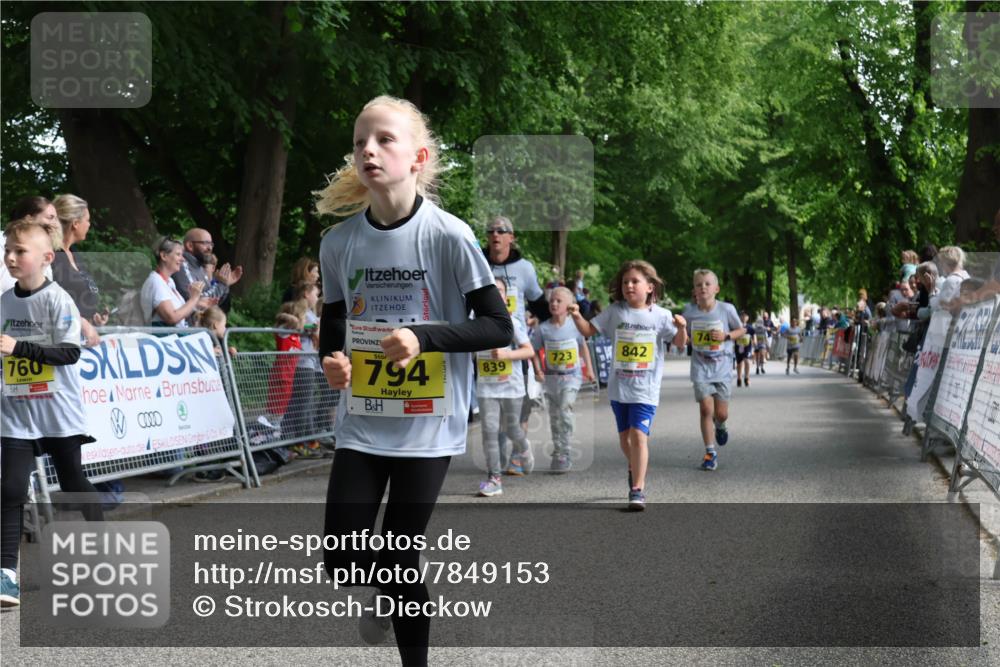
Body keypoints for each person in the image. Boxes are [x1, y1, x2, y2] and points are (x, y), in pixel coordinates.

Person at [315, 96, 511, 665]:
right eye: (359, 142)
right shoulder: (338, 243)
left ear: (418, 156)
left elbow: (498, 326)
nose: (368, 150)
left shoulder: (450, 236)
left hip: (428, 422)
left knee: (401, 560)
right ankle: (392, 589)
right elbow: (333, 321)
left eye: (383, 139)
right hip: (363, 420)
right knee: (343, 557)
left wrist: (422, 337)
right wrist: (332, 359)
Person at [1, 217, 104, 607]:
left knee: (74, 484)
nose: (11, 257)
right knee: (10, 489)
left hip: (57, 411)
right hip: (15, 412)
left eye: (19, 251)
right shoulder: (4, 302)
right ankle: (6, 575)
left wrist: (19, 348)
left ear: (46, 258)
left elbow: (69, 352)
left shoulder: (58, 298)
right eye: (8, 250)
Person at [568, 260, 686, 510]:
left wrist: (682, 328)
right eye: (625, 282)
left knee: (638, 437)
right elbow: (589, 330)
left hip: (646, 388)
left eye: (635, 281)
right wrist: (577, 316)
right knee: (625, 441)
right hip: (619, 388)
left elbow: (679, 342)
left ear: (650, 287)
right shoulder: (615, 312)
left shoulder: (661, 315)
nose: (629, 285)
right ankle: (634, 464)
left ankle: (637, 489)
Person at [475, 278, 535, 496]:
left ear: (504, 296)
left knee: (511, 429)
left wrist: (506, 354)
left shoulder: (511, 322)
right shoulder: (475, 322)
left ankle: (523, 447)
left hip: (511, 385)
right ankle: (494, 478)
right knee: (489, 431)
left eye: (498, 290)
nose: (494, 294)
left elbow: (529, 351)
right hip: (486, 386)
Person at [682, 270, 744, 472]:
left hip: (723, 366)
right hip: (700, 366)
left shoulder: (726, 309)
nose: (703, 288)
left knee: (721, 413)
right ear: (694, 291)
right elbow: (684, 336)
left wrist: (726, 336)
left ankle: (721, 425)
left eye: (708, 284)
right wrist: (684, 335)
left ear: (716, 289)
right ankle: (710, 452)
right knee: (706, 409)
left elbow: (741, 330)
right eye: (699, 285)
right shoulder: (689, 312)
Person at [532, 286, 594, 473]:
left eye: (559, 301)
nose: (554, 303)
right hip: (552, 378)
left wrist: (589, 370)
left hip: (572, 377)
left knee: (565, 408)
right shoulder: (543, 328)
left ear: (569, 305)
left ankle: (565, 451)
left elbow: (583, 347)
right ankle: (558, 451)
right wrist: (538, 369)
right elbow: (534, 351)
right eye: (551, 300)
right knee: (554, 416)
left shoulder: (575, 325)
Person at [51, 195, 107, 347]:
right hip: (59, 342)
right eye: (87, 220)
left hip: (82, 341)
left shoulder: (75, 254)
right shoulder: (50, 255)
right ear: (75, 223)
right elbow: (47, 300)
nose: (89, 225)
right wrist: (81, 322)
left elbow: (77, 295)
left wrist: (92, 315)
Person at [171, 228, 243, 321]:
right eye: (205, 243)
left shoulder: (199, 267)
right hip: (188, 328)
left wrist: (225, 285)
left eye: (211, 244)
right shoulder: (182, 266)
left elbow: (213, 303)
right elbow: (199, 300)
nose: (210, 248)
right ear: (190, 245)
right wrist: (221, 285)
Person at [140, 238, 212, 327]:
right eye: (178, 254)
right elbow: (172, 318)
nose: (183, 259)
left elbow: (180, 314)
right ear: (164, 256)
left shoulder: (170, 281)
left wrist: (196, 304)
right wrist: (193, 299)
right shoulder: (156, 281)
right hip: (163, 337)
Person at [735, 312, 753, 386]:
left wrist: (754, 342)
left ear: (748, 318)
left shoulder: (750, 327)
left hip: (747, 347)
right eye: (742, 316)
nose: (743, 317)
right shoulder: (736, 326)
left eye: (745, 316)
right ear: (739, 317)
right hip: (738, 346)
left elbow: (753, 335)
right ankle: (739, 378)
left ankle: (747, 377)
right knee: (739, 363)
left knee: (747, 361)